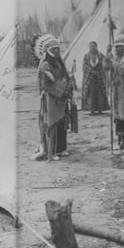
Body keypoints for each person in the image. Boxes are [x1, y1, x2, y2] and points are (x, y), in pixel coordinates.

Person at [33, 34, 73, 162]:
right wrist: (60, 93)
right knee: (52, 124)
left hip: (62, 99)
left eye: (57, 49)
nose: (56, 51)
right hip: (51, 99)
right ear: (48, 51)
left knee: (62, 124)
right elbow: (45, 85)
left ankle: (61, 149)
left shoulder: (60, 63)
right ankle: (52, 151)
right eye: (53, 49)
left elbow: (65, 76)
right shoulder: (45, 65)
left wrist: (68, 88)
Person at [81, 41, 109, 114]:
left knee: (100, 94)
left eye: (93, 46)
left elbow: (104, 65)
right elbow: (85, 67)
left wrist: (98, 72)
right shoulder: (86, 56)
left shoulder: (101, 56)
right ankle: (92, 110)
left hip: (99, 77)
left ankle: (100, 109)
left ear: (96, 47)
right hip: (90, 78)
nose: (92, 48)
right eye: (90, 46)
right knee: (91, 94)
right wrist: (91, 72)